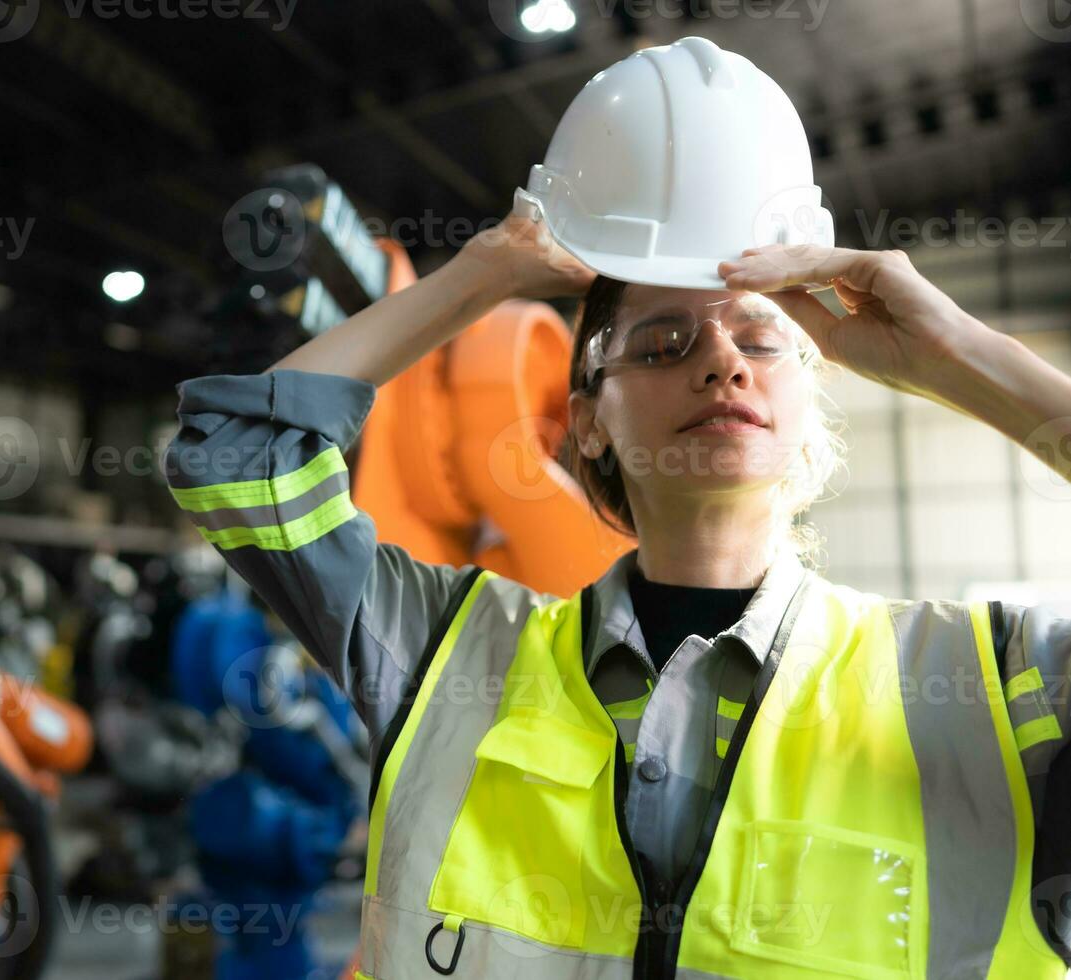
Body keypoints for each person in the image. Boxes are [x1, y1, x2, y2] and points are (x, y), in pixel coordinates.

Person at [162, 41, 1071, 980]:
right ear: (586, 421)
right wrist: (483, 275)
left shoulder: (1002, 691)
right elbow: (234, 458)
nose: (721, 363)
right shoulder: (445, 653)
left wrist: (957, 353)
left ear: (811, 404)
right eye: (666, 343)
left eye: (762, 342)